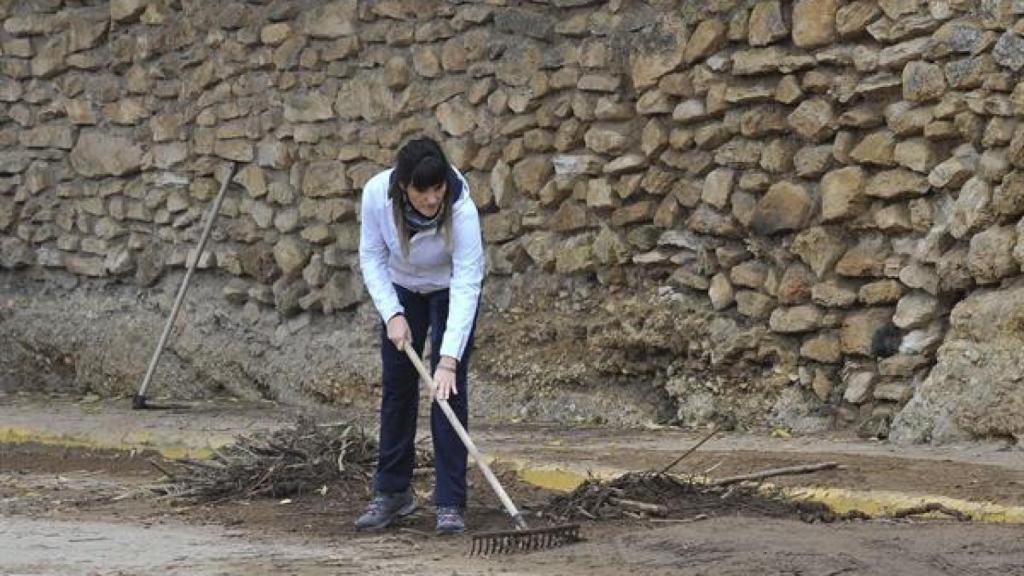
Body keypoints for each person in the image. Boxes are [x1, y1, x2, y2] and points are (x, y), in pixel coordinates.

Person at [354, 136, 485, 535]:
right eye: (422, 191)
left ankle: (449, 502)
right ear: (403, 187)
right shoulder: (377, 195)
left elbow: (467, 279)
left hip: (449, 288)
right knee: (398, 388)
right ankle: (393, 493)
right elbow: (372, 255)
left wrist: (448, 360)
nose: (432, 199)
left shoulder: (461, 207)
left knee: (448, 392)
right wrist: (392, 313)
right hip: (402, 287)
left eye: (437, 189)